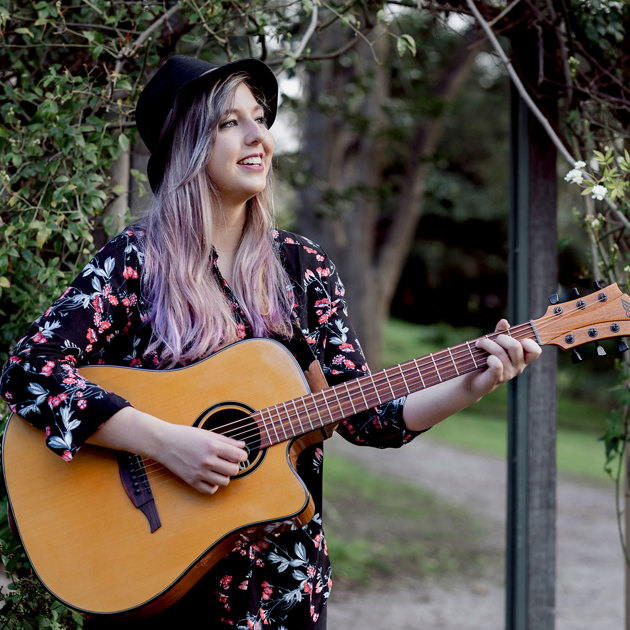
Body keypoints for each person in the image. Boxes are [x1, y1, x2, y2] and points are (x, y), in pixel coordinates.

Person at [0, 55, 541, 629]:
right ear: (187, 145)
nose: (260, 136)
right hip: (153, 575)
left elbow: (366, 414)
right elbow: (28, 372)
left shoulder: (301, 270)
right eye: (231, 122)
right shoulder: (138, 263)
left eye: (260, 118)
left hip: (281, 591)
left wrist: (474, 383)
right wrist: (163, 442)